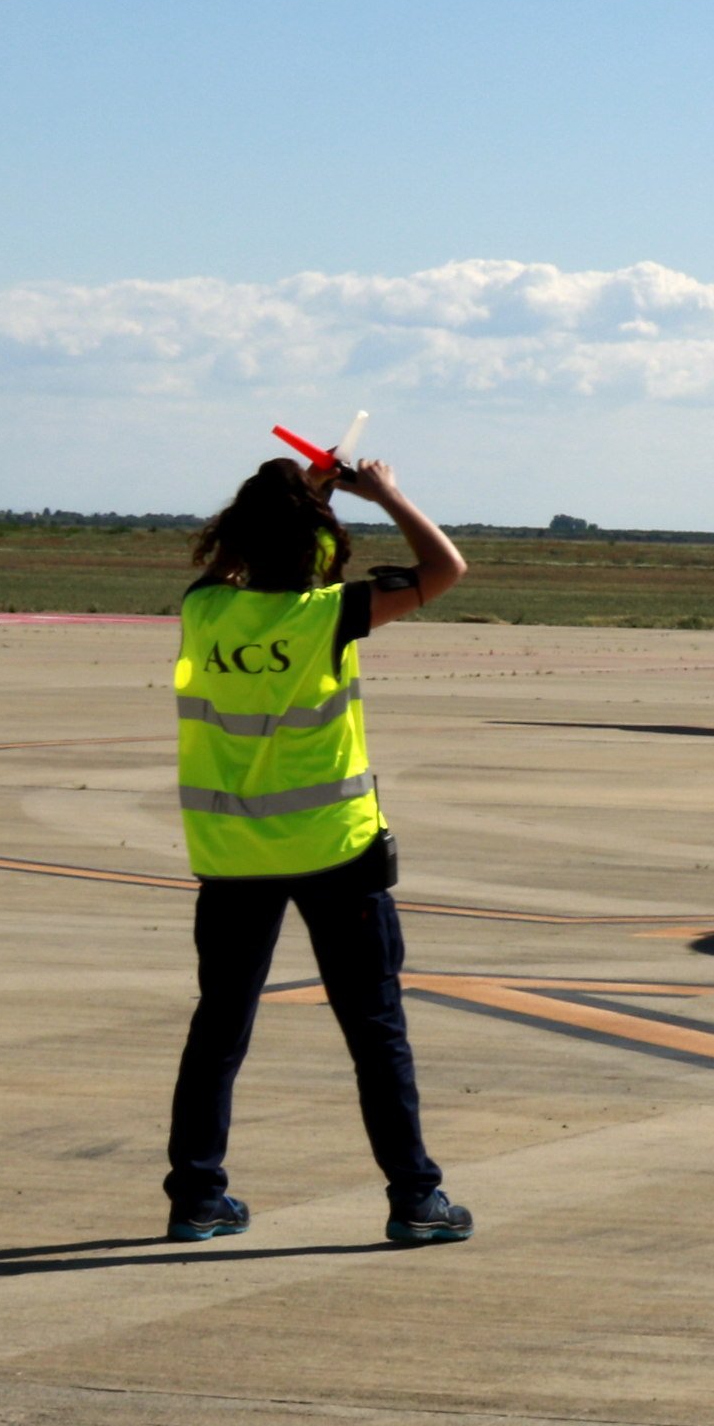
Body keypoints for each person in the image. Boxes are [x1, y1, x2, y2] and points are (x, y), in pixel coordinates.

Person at [158, 449, 477, 1248]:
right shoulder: (329, 613)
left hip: (232, 854)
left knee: (219, 1029)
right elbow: (446, 567)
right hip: (333, 851)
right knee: (375, 1030)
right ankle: (414, 1197)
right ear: (321, 545)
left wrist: (305, 500)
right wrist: (386, 495)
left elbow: (244, 569)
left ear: (233, 538)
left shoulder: (203, 610)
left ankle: (198, 1195)